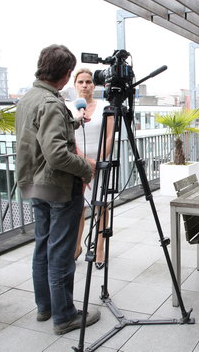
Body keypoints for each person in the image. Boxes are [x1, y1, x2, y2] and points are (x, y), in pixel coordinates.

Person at [15, 44, 101, 334]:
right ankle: (65, 316)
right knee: (61, 253)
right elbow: (56, 154)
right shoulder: (52, 102)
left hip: (33, 183)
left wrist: (71, 125)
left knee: (43, 246)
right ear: (65, 75)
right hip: (58, 187)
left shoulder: (28, 98)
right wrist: (86, 167)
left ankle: (46, 307)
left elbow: (42, 140)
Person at [70, 68, 114, 270]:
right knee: (79, 208)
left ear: (93, 85)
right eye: (81, 82)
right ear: (75, 85)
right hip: (78, 165)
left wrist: (97, 162)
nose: (85, 85)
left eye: (88, 81)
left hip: (101, 165)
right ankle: (77, 246)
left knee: (101, 208)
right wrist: (84, 162)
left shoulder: (105, 107)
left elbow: (110, 136)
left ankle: (99, 249)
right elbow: (68, 139)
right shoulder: (69, 108)